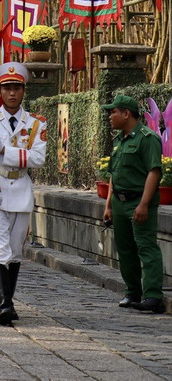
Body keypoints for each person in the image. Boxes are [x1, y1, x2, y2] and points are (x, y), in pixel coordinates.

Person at [0, 62, 46, 325]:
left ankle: (9, 300)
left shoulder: (36, 124)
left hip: (21, 190)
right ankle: (5, 305)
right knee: (0, 250)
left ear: (24, 90)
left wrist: (6, 149)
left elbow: (38, 158)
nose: (12, 93)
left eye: (17, 87)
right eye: (7, 88)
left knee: (16, 251)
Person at [103, 95, 166, 313]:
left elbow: (154, 172)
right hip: (120, 203)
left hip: (138, 201)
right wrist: (108, 205)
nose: (110, 116)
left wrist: (144, 204)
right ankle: (132, 292)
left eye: (113, 112)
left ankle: (153, 295)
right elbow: (113, 174)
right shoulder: (119, 140)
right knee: (126, 249)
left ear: (126, 113)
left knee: (145, 247)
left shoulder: (147, 138)